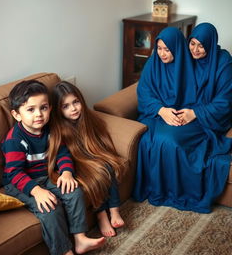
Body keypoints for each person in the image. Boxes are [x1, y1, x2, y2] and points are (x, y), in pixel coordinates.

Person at [132, 26, 232, 213]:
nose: (194, 50)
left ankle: (174, 192)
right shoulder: (168, 60)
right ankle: (158, 189)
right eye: (192, 43)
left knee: (169, 140)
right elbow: (144, 92)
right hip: (158, 114)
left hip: (200, 116)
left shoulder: (220, 63)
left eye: (201, 46)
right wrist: (162, 110)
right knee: (149, 140)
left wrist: (193, 113)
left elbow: (208, 101)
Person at [1, 80, 105, 255]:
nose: (39, 114)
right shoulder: (14, 140)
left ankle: (80, 239)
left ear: (50, 108)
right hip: (21, 183)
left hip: (46, 175)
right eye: (31, 109)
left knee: (74, 191)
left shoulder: (50, 129)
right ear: (17, 114)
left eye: (44, 107)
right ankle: (64, 251)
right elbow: (14, 173)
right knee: (50, 208)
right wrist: (36, 191)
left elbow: (62, 152)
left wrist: (66, 172)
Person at [48, 81, 125, 237]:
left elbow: (95, 140)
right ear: (57, 110)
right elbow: (61, 156)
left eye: (75, 102)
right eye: (66, 106)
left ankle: (114, 210)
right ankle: (102, 216)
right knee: (93, 178)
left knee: (108, 168)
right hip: (72, 164)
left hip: (89, 156)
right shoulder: (58, 128)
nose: (74, 108)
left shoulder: (86, 119)